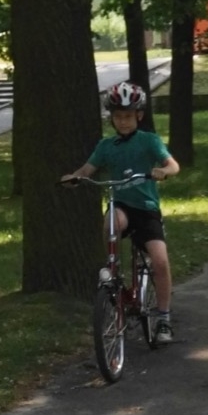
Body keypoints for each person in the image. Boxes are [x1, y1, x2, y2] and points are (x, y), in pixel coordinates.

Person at [61, 81, 180, 344]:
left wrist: (163, 171)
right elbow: (87, 170)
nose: (123, 122)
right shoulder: (106, 146)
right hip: (122, 205)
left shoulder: (149, 141)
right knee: (111, 222)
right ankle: (113, 270)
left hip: (146, 209)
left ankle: (164, 318)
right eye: (118, 117)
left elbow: (173, 165)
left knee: (160, 261)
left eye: (128, 116)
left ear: (139, 115)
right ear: (111, 118)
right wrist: (74, 178)